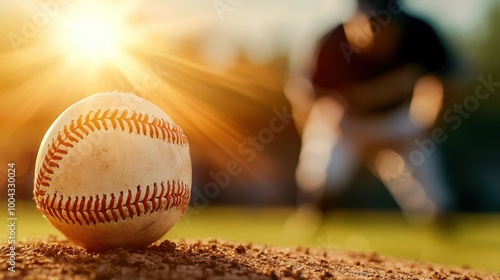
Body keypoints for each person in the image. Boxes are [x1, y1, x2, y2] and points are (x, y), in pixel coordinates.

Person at [285, 0, 458, 225]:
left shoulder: (420, 33)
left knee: (435, 198)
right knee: (323, 178)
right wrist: (322, 130)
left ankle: (440, 221)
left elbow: (448, 84)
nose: (379, 32)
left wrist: (426, 127)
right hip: (345, 122)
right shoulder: (331, 43)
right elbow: (305, 99)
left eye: (386, 24)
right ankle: (312, 217)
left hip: (400, 120)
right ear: (352, 23)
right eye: (371, 23)